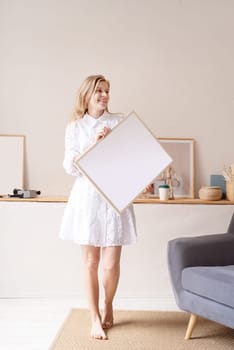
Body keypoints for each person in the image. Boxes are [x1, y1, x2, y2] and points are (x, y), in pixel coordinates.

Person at [60, 74, 142, 340]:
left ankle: (108, 304)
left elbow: (130, 161)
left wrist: (141, 179)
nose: (105, 96)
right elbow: (70, 166)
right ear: (87, 94)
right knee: (90, 262)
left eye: (107, 91)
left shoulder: (118, 122)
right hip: (87, 199)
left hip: (114, 196)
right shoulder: (75, 127)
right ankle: (94, 317)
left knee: (111, 265)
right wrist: (94, 145)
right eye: (99, 91)